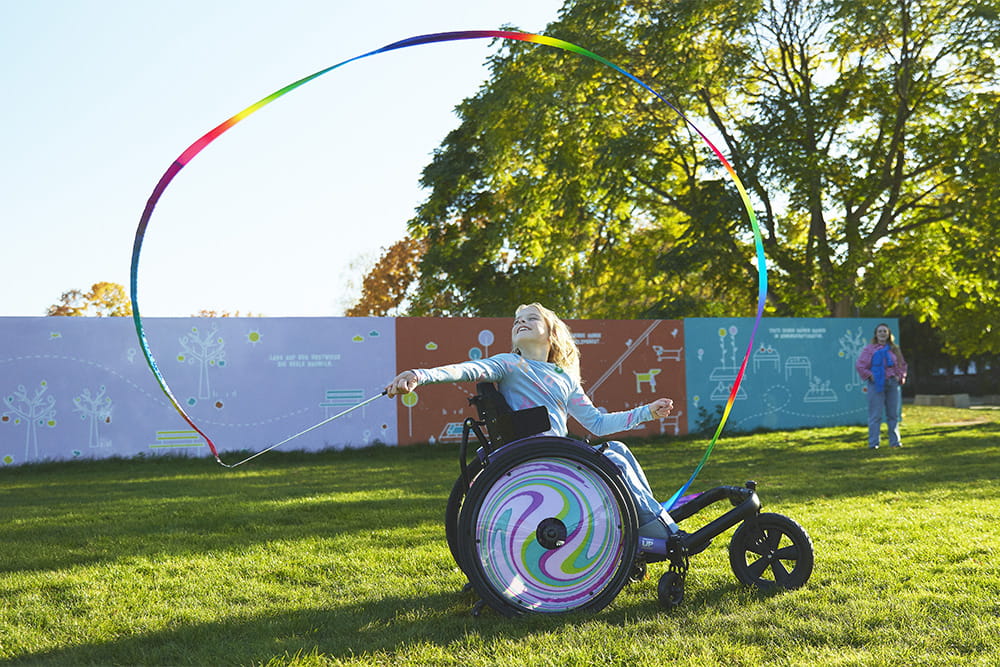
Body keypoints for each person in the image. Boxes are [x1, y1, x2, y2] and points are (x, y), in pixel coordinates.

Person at [386, 303, 680, 539]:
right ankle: (656, 525)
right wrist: (420, 375)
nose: (520, 322)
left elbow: (598, 425)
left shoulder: (564, 378)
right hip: (540, 458)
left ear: (551, 335)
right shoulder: (509, 363)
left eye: (531, 318)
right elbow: (467, 369)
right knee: (614, 460)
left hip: (557, 454)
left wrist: (647, 412)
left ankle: (650, 517)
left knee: (618, 450)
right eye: (517, 320)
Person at [855, 322, 908, 449]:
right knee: (875, 415)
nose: (882, 333)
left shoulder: (894, 349)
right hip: (876, 384)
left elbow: (902, 365)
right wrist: (870, 375)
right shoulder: (870, 349)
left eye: (885, 331)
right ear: (876, 335)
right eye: (880, 331)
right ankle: (874, 443)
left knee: (893, 415)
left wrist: (900, 377)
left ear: (889, 334)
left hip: (892, 383)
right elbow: (860, 365)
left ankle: (895, 442)